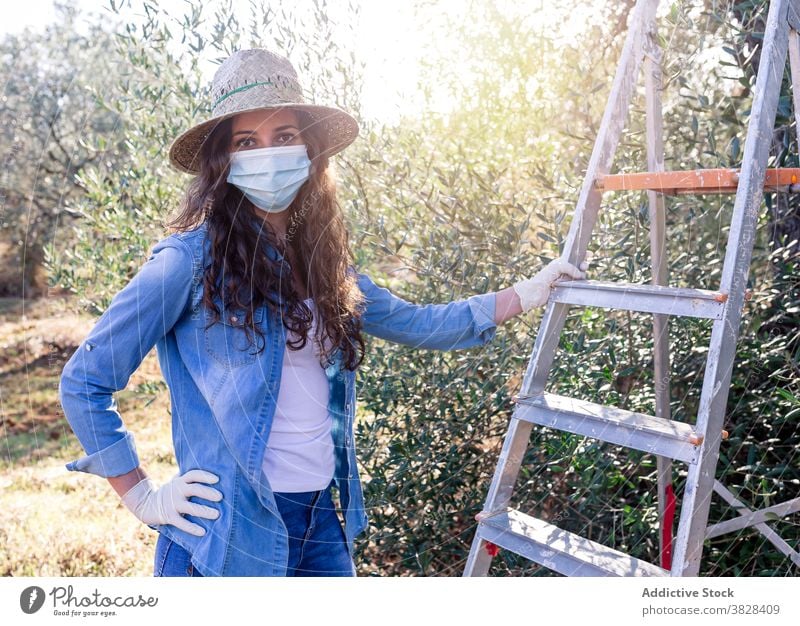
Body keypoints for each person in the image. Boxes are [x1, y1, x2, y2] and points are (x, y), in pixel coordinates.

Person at [59, 48, 587, 577]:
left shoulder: (326, 266)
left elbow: (423, 322)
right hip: (230, 531)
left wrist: (529, 291)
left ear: (309, 150)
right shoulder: (186, 263)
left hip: (320, 522)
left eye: (284, 136)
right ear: (223, 161)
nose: (268, 153)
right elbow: (85, 380)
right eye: (247, 142)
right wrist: (143, 496)